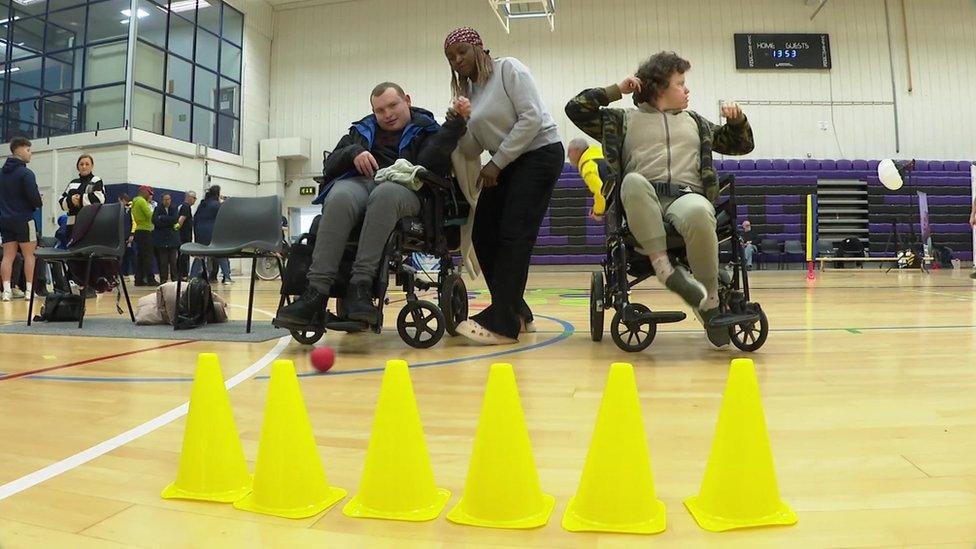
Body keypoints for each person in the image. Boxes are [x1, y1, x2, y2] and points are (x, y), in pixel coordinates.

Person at [566, 51, 755, 349]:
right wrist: (618, 89)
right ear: (659, 88)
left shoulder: (696, 122)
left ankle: (710, 299)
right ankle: (663, 266)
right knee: (633, 181)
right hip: (643, 200)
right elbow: (576, 108)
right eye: (680, 83)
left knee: (699, 211)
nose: (687, 89)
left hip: (685, 196)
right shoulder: (622, 120)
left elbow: (742, 144)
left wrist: (737, 120)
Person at [274, 82, 465, 329]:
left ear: (407, 100)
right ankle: (315, 293)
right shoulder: (360, 131)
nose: (388, 114)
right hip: (361, 183)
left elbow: (432, 161)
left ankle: (360, 289)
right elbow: (330, 164)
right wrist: (353, 152)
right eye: (380, 110)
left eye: (393, 105)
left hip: (406, 188)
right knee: (339, 196)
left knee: (384, 195)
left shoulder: (426, 129)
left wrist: (455, 125)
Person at [443, 26, 564, 345]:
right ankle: (517, 311)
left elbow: (532, 118)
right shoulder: (469, 95)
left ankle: (502, 323)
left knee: (513, 233)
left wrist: (497, 164)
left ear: (479, 48)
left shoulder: (509, 68)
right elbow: (471, 150)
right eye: (451, 57)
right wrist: (459, 123)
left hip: (539, 152)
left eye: (462, 52)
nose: (457, 60)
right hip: (507, 161)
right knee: (482, 232)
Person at [0, 137, 42, 302]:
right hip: (24, 219)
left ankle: (6, 291)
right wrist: (39, 201)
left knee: (8, 256)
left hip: (5, 220)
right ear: (19, 150)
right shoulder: (26, 173)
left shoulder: (1, 174)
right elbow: (34, 198)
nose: (30, 154)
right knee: (29, 255)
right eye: (28, 150)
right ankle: (29, 291)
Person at [567, 137, 611, 221]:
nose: (568, 156)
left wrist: (598, 212)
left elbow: (600, 192)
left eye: (569, 152)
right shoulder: (600, 153)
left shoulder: (588, 167)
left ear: (577, 151)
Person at [131, 185, 158, 286]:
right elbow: (150, 215)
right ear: (144, 192)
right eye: (150, 194)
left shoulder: (134, 202)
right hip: (146, 231)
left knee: (141, 257)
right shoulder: (142, 201)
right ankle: (150, 279)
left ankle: (139, 279)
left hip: (139, 230)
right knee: (148, 256)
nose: (150, 196)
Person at [152, 193, 181, 283]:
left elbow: (175, 219)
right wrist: (168, 222)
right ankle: (163, 279)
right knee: (163, 262)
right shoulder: (157, 209)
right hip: (161, 239)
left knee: (173, 261)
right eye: (165, 199)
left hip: (172, 239)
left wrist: (163, 218)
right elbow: (155, 221)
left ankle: (174, 279)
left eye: (169, 199)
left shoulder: (174, 208)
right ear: (162, 200)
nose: (167, 201)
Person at [176, 191, 196, 280]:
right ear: (189, 197)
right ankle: (183, 274)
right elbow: (181, 220)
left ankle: (182, 274)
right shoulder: (186, 207)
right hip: (184, 236)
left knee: (183, 255)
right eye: (194, 198)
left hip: (184, 235)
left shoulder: (184, 206)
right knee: (184, 255)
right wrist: (176, 228)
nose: (195, 200)